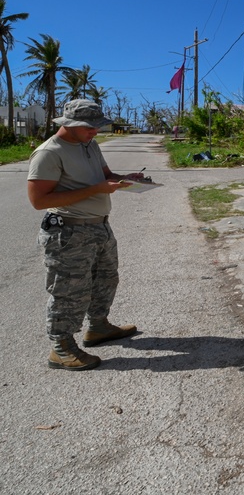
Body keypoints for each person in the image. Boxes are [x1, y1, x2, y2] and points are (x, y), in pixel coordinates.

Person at [27, 99, 143, 371]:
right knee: (68, 291)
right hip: (68, 231)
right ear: (70, 124)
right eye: (89, 127)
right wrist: (97, 189)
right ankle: (61, 347)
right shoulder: (49, 152)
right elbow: (39, 200)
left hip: (99, 226)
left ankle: (99, 327)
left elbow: (104, 176)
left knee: (106, 278)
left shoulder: (89, 145)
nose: (95, 131)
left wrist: (125, 178)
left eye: (97, 126)